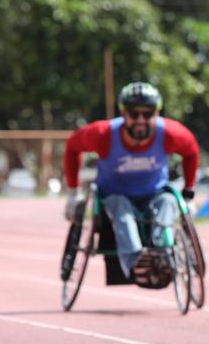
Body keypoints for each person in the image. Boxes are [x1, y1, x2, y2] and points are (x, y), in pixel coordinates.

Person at [63, 82, 199, 280]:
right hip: (115, 195)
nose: (141, 120)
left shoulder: (170, 133)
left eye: (148, 114)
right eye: (134, 114)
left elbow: (192, 151)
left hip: (154, 193)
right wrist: (73, 193)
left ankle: (162, 254)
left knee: (169, 202)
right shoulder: (104, 134)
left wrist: (188, 194)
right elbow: (73, 146)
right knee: (121, 208)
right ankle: (137, 263)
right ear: (123, 113)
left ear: (157, 113)